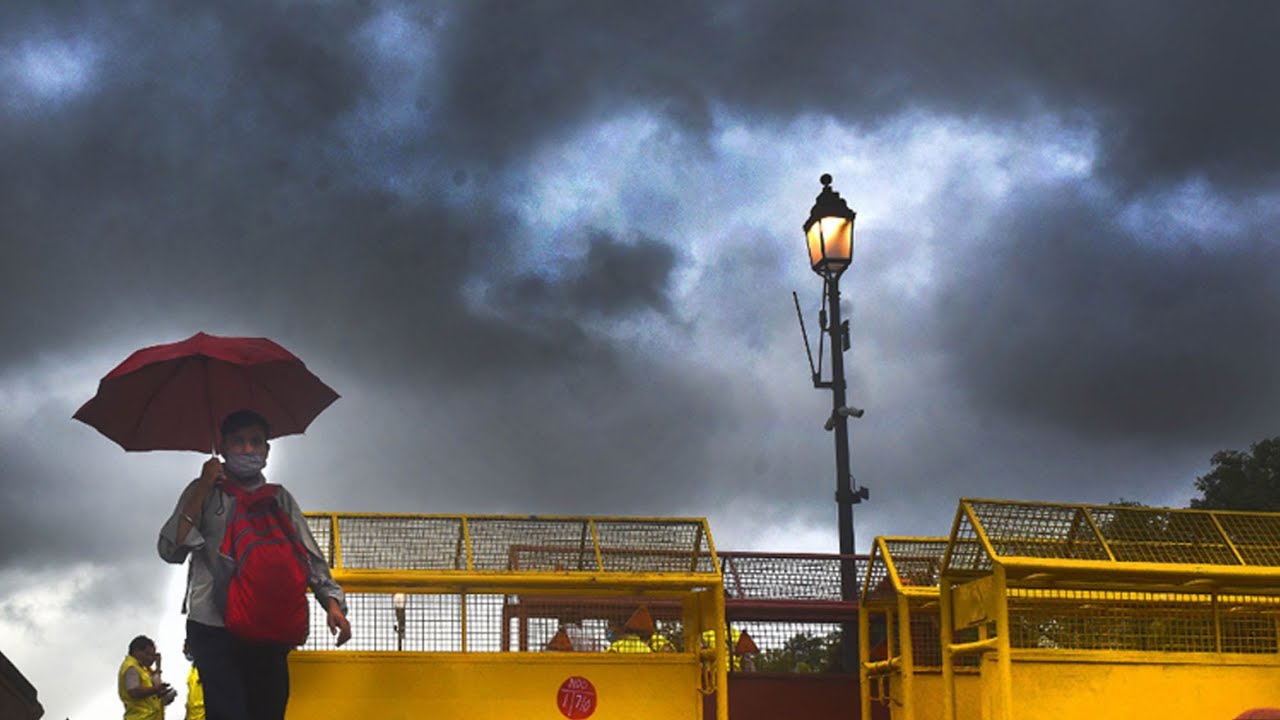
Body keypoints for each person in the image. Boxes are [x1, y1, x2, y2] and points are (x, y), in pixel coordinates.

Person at [158, 410, 351, 720]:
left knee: (269, 711)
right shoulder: (203, 493)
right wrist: (204, 487)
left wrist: (333, 603)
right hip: (213, 625)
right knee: (227, 713)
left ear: (267, 450)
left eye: (255, 442)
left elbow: (309, 555)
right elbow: (171, 549)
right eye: (238, 442)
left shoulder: (279, 499)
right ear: (222, 448)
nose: (248, 450)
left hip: (266, 622)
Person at [118, 635, 173, 720]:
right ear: (136, 651)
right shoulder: (131, 667)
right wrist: (156, 689)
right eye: (148, 654)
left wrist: (159, 692)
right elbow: (134, 692)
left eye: (152, 655)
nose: (150, 658)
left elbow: (154, 681)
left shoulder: (142, 668)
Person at [183, 640, 205, 720]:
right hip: (191, 716)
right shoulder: (192, 669)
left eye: (186, 648)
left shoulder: (206, 668)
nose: (184, 651)